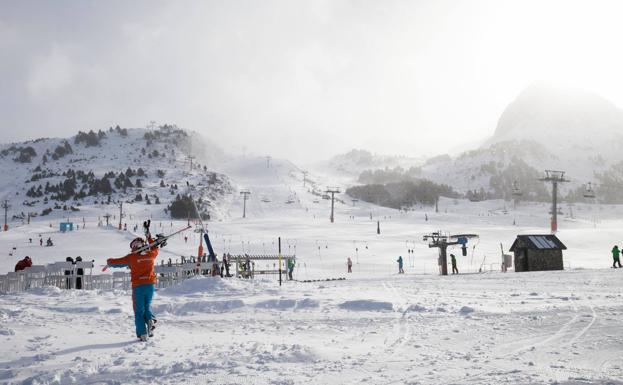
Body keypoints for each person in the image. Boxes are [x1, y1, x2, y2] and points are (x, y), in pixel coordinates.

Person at [107, 220, 162, 341]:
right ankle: (150, 320)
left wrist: (109, 262)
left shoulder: (131, 257)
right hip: (150, 285)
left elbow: (116, 262)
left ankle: (142, 334)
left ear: (133, 247)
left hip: (138, 287)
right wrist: (148, 234)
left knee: (138, 311)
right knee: (146, 308)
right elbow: (154, 246)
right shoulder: (151, 254)